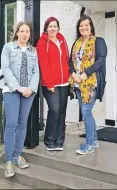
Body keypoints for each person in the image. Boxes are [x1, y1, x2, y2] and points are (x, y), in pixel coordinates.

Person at [1, 21, 39, 177]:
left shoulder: (33, 51)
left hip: (28, 92)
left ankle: (17, 156)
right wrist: (18, 87)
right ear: (17, 33)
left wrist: (30, 88)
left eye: (27, 31)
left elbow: (36, 71)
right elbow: (5, 68)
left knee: (23, 123)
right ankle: (8, 161)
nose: (25, 34)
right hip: (11, 90)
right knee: (11, 124)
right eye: (22, 31)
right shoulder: (8, 47)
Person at [69, 15, 107, 155]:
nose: (84, 28)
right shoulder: (76, 43)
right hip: (78, 83)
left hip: (91, 83)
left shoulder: (99, 41)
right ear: (78, 29)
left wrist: (86, 73)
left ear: (91, 27)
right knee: (87, 113)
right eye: (81, 26)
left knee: (86, 112)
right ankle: (94, 140)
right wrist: (73, 74)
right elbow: (70, 61)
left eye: (86, 25)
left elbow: (100, 61)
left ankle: (89, 143)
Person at [36, 17, 70, 151]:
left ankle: (60, 140)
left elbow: (66, 59)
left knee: (62, 112)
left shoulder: (62, 40)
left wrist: (68, 77)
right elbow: (43, 64)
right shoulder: (42, 42)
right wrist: (49, 83)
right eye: (50, 26)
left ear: (58, 28)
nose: (53, 28)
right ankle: (49, 139)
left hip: (65, 83)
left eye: (55, 26)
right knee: (54, 109)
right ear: (46, 28)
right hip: (50, 84)